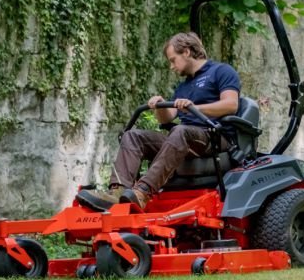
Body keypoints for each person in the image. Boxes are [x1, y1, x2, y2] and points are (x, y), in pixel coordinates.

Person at [76, 31, 241, 212]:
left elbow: (231, 104)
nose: (171, 66)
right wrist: (160, 106)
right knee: (133, 136)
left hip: (214, 137)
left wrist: (195, 107)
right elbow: (168, 117)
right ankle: (117, 193)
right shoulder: (183, 86)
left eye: (173, 60)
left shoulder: (221, 71)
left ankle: (143, 192)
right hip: (184, 138)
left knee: (180, 131)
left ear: (186, 52)